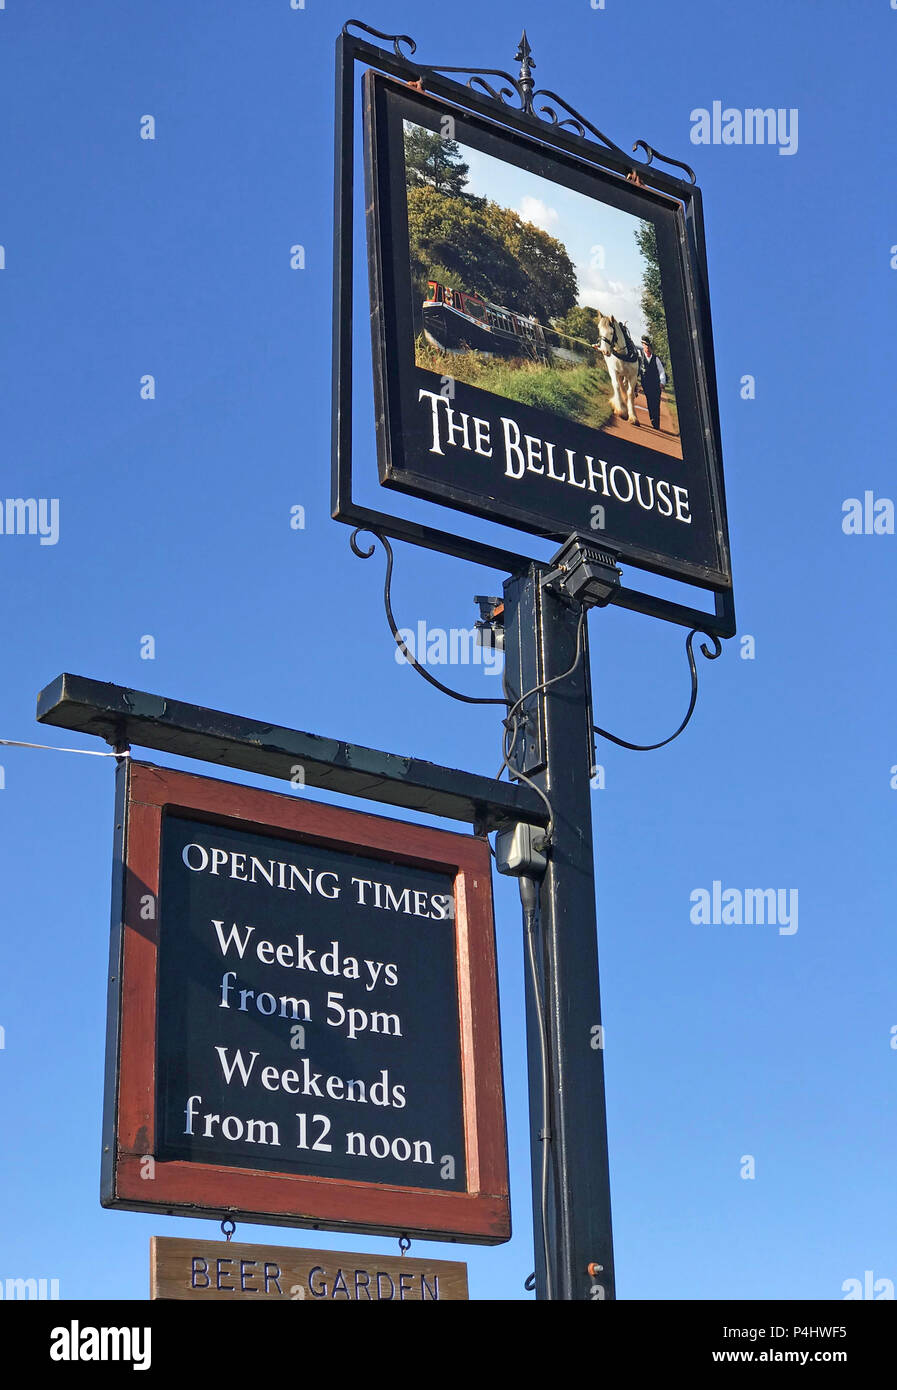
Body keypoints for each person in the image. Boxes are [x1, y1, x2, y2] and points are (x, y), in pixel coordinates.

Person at [638, 336, 667, 430]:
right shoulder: (640, 357)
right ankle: (653, 420)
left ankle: (656, 424)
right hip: (646, 385)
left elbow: (661, 371)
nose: (647, 347)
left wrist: (662, 382)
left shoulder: (656, 359)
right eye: (645, 345)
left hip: (656, 385)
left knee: (656, 403)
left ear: (650, 347)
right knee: (650, 403)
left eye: (648, 346)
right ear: (643, 346)